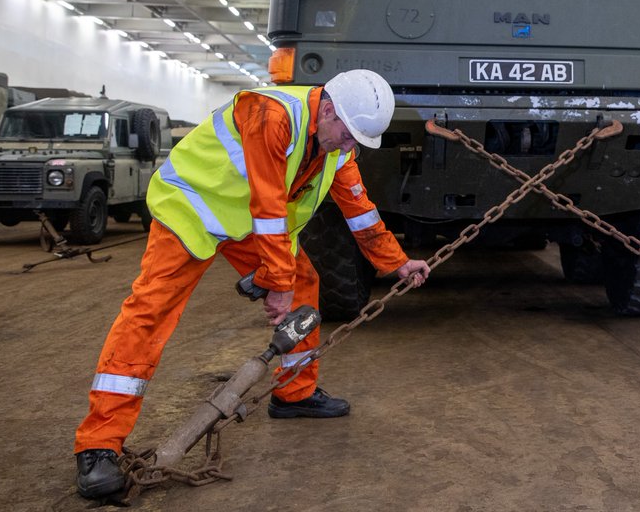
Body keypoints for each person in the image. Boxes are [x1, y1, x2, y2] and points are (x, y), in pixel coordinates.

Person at [73, 69, 429, 499]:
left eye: (358, 141)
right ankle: (98, 445)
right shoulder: (272, 114)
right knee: (149, 312)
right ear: (330, 109)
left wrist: (398, 263)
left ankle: (295, 394)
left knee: (304, 282)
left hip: (248, 223)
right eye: (349, 135)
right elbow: (268, 203)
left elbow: (360, 209)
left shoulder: (337, 145)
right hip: (193, 209)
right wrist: (277, 283)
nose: (350, 146)